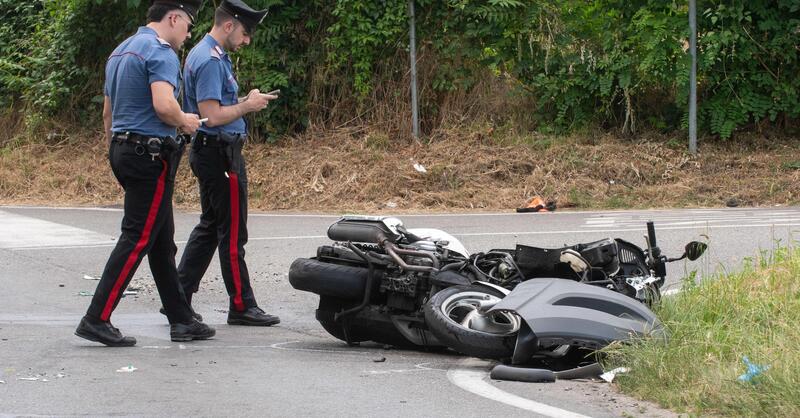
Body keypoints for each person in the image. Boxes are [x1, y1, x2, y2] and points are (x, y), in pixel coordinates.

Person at [75, 0, 216, 347]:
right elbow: (164, 105)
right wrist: (186, 120)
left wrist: (116, 148)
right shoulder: (161, 51)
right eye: (186, 26)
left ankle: (181, 319)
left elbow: (108, 113)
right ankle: (97, 317)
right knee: (138, 237)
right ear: (173, 18)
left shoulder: (121, 51)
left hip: (124, 149)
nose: (187, 35)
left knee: (160, 241)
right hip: (150, 155)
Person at [173, 0, 279, 326]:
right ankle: (241, 305)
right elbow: (213, 116)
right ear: (229, 25)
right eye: (246, 33)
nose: (247, 41)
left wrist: (244, 100)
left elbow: (219, 105)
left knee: (209, 227)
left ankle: (176, 296)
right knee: (232, 233)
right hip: (219, 152)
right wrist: (247, 106)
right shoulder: (208, 60)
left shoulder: (211, 55)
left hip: (213, 151)